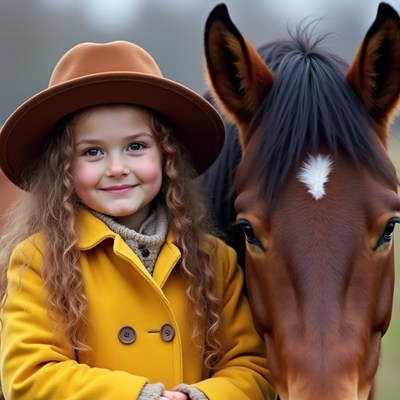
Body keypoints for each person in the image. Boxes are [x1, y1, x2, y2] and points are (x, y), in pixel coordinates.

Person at [0, 41, 276, 399]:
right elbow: (30, 375)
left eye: (135, 146)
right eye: (93, 152)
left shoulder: (213, 260)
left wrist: (201, 397)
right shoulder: (38, 260)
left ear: (167, 156)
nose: (117, 169)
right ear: (63, 168)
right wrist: (138, 396)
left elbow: (254, 368)